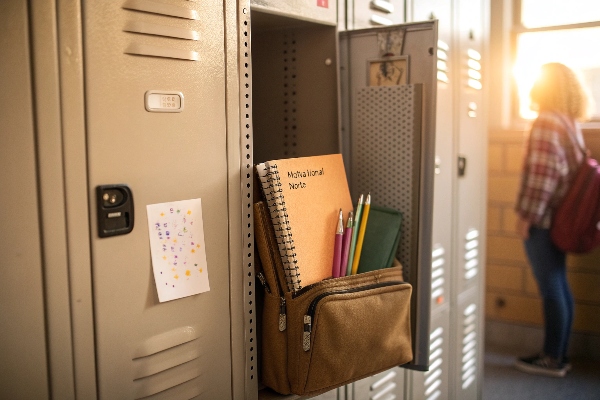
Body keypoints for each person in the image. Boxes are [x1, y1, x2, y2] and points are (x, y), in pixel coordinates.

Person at [514, 62, 591, 378]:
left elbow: (543, 177)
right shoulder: (569, 122)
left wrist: (527, 218)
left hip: (544, 221)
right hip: (561, 219)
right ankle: (558, 353)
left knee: (551, 287)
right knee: (559, 284)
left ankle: (552, 358)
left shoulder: (546, 122)